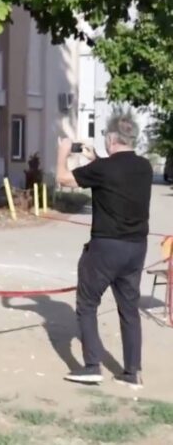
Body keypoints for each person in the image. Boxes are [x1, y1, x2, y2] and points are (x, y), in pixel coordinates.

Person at [57, 111, 152, 389]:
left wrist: (63, 152)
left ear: (111, 138)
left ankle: (91, 367)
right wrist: (96, 159)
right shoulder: (144, 167)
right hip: (136, 248)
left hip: (106, 246)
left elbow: (63, 179)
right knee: (129, 309)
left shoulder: (104, 169)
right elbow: (117, 176)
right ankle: (132, 372)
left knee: (87, 303)